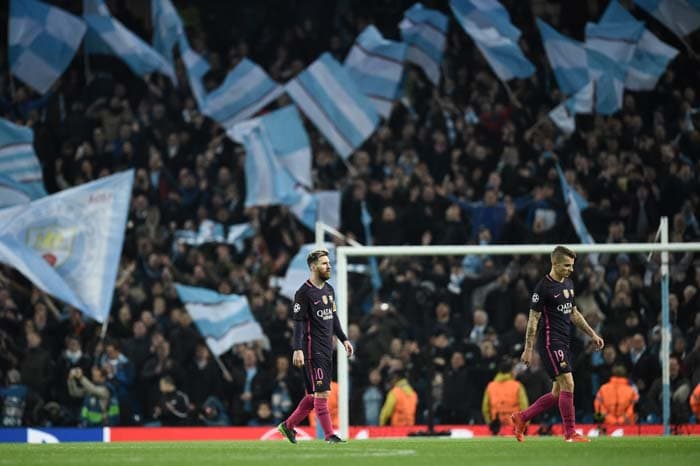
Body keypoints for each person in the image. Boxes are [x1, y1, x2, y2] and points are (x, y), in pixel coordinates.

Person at [511, 246, 604, 443]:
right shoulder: (543, 288)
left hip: (564, 342)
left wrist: (592, 334)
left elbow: (574, 313)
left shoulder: (568, 283)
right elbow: (533, 320)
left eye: (572, 266)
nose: (571, 269)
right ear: (555, 264)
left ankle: (522, 417)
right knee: (568, 383)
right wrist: (528, 349)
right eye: (567, 265)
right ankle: (570, 433)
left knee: (556, 393)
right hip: (550, 343)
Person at [278, 249, 353, 444]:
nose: (328, 266)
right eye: (324, 263)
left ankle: (287, 426)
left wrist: (344, 339)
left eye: (329, 263)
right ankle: (330, 436)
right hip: (312, 350)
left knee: (313, 396)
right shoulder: (303, 293)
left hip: (326, 349)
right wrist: (298, 349)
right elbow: (299, 323)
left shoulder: (329, 290)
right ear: (313, 267)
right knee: (322, 393)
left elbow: (333, 317)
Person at [482, 357, 528, 429]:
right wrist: (525, 425)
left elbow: (485, 408)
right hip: (515, 425)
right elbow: (524, 406)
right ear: (511, 371)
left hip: (496, 425)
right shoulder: (517, 386)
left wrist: (490, 423)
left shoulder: (490, 386)